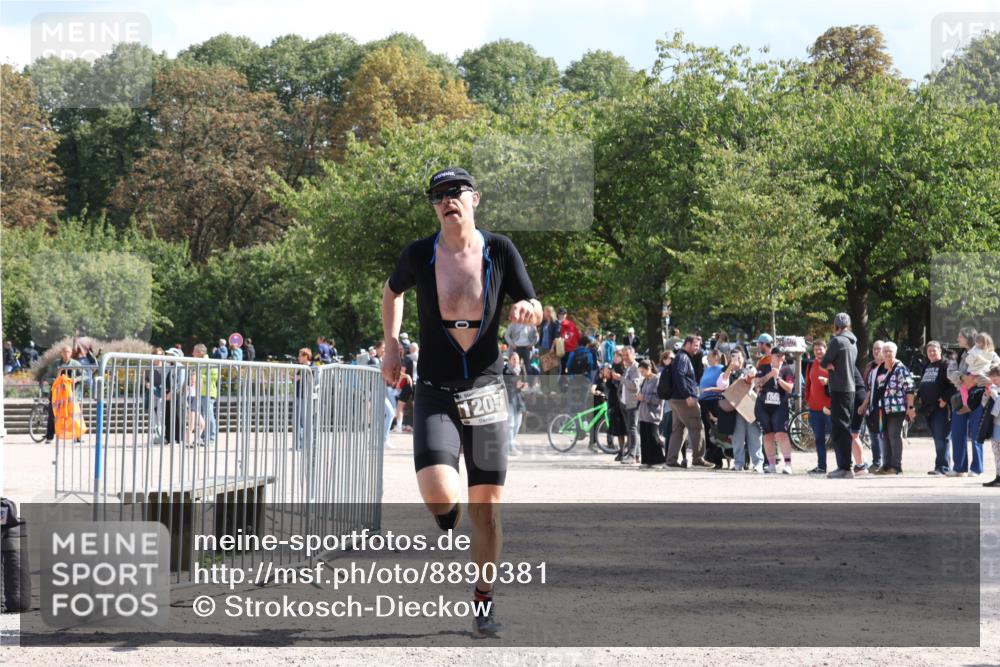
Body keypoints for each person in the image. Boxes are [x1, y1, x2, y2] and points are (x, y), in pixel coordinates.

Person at [381, 166, 541, 638]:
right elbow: (392, 291)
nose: (448, 200)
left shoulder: (500, 249)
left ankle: (484, 601)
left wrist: (530, 309)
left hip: (488, 390)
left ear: (475, 199)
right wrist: (391, 344)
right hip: (435, 388)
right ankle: (447, 515)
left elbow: (532, 303)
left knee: (487, 508)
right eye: (439, 195)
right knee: (440, 496)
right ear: (434, 205)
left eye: (456, 192)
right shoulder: (419, 254)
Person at [946, 327, 992, 477]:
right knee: (957, 433)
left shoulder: (986, 352)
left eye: (960, 336)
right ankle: (959, 468)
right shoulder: (957, 355)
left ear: (969, 338)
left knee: (976, 433)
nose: (957, 339)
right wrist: (962, 378)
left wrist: (976, 379)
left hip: (979, 396)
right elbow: (950, 372)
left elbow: (994, 371)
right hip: (961, 397)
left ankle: (977, 468)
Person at [821, 313, 859, 479]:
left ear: (835, 326)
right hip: (850, 388)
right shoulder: (853, 342)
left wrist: (829, 365)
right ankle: (845, 466)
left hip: (839, 388)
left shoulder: (837, 341)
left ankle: (844, 467)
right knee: (845, 426)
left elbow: (824, 361)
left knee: (840, 428)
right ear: (849, 325)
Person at [666, 336, 712, 468]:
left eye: (698, 346)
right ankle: (698, 458)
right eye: (695, 345)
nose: (697, 348)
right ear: (687, 344)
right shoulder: (683, 358)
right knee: (697, 427)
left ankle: (671, 460)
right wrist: (687, 395)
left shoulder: (680, 357)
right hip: (684, 399)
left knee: (679, 429)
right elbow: (679, 376)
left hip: (676, 399)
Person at [754, 341, 796, 474]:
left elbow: (789, 388)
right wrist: (769, 376)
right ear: (771, 356)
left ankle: (788, 464)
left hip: (780, 405)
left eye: (782, 355)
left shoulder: (787, 369)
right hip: (763, 405)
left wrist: (778, 378)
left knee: (781, 434)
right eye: (777, 355)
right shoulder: (763, 366)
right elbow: (757, 384)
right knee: (767, 435)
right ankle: (771, 464)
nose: (780, 358)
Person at [873, 342, 915, 475]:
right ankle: (886, 465)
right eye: (884, 351)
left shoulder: (900, 368)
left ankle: (896, 467)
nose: (886, 354)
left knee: (894, 436)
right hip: (883, 409)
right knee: (884, 436)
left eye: (889, 351)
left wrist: (910, 407)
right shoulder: (882, 368)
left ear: (895, 352)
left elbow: (910, 388)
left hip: (897, 409)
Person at [918, 341, 955, 475]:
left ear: (940, 350)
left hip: (941, 408)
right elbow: (923, 384)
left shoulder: (946, 365)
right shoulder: (927, 365)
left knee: (942, 437)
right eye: (929, 351)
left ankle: (943, 467)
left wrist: (945, 399)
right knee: (937, 437)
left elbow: (954, 385)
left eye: (934, 350)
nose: (932, 353)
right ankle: (938, 466)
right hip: (928, 408)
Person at [723, 348, 764, 472]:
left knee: (755, 436)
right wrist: (730, 368)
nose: (737, 360)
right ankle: (738, 463)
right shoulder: (726, 371)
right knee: (737, 438)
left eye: (739, 357)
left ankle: (758, 463)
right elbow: (722, 384)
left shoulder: (750, 368)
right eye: (733, 357)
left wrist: (750, 377)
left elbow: (755, 381)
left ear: (743, 358)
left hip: (750, 407)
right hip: (735, 408)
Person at [804, 339, 833, 475]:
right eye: (816, 350)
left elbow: (839, 381)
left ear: (825, 349)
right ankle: (821, 467)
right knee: (819, 439)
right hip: (814, 408)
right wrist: (807, 399)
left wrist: (828, 382)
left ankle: (845, 465)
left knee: (838, 437)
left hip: (830, 408)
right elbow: (808, 383)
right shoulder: (811, 364)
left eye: (820, 349)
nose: (818, 352)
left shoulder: (831, 364)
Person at [43, 346, 83, 443]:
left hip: (71, 394)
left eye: (68, 352)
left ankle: (77, 437)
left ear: (71, 353)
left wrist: (77, 379)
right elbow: (48, 377)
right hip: (57, 394)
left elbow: (85, 375)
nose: (66, 354)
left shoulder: (76, 364)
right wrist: (57, 380)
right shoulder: (55, 364)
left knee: (75, 414)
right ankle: (49, 437)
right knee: (52, 414)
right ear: (61, 353)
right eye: (64, 352)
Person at [698, 348, 728, 468]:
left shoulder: (721, 369)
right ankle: (709, 456)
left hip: (715, 401)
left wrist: (710, 390)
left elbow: (723, 386)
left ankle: (717, 459)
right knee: (706, 430)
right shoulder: (707, 369)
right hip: (704, 401)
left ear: (716, 357)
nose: (708, 358)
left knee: (715, 431)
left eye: (709, 356)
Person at [860, 341, 887, 472]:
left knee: (882, 435)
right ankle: (876, 461)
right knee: (873, 435)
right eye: (875, 349)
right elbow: (869, 388)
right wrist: (864, 405)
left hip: (885, 407)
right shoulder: (870, 367)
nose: (877, 351)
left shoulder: (889, 366)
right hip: (872, 406)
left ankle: (885, 462)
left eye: (879, 349)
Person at [636, 359, 665, 468]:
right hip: (643, 414)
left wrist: (644, 398)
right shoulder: (645, 380)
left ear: (649, 369)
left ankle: (658, 460)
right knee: (645, 438)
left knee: (653, 438)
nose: (641, 374)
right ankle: (647, 461)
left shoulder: (657, 380)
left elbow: (658, 399)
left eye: (642, 371)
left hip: (653, 414)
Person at [618, 346, 642, 464]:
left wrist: (621, 379)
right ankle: (636, 455)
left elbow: (634, 385)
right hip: (625, 403)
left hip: (632, 403)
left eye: (627, 355)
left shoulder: (635, 368)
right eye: (623, 355)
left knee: (632, 429)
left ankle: (632, 455)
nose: (625, 357)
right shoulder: (628, 368)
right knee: (631, 429)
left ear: (633, 355)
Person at [503, 352, 528, 456]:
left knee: (518, 423)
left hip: (519, 398)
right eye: (514, 359)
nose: (516, 361)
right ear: (509, 360)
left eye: (517, 359)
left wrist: (524, 386)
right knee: (511, 424)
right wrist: (514, 385)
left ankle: (509, 442)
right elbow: (503, 384)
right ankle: (510, 447)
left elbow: (525, 382)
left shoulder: (521, 369)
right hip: (509, 397)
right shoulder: (505, 370)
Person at [982, 366, 1000, 487]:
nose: (993, 379)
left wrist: (994, 395)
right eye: (991, 377)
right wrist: (986, 395)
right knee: (996, 452)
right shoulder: (993, 388)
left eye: (996, 376)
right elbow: (984, 405)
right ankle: (998, 476)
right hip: (995, 424)